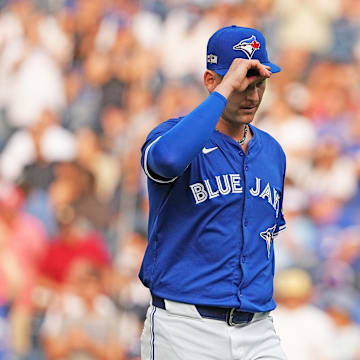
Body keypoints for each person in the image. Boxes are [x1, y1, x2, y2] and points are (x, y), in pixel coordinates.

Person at [139, 26, 287, 360]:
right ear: (211, 80)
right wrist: (225, 90)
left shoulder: (273, 152)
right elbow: (166, 160)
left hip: (258, 329)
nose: (251, 95)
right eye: (241, 84)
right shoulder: (171, 137)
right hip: (185, 327)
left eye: (258, 83)